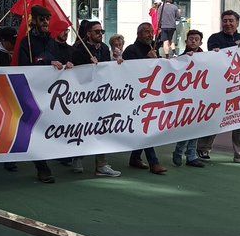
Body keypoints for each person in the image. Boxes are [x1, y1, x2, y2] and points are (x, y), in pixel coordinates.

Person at [12, 6, 70, 183]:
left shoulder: (51, 40)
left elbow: (59, 58)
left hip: (50, 91)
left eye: (48, 18)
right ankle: (41, 167)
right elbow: (24, 66)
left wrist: (67, 64)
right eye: (42, 18)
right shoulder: (26, 42)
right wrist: (46, 62)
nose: (46, 21)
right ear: (34, 20)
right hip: (32, 90)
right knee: (34, 126)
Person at [198, 10, 240, 164]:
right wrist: (235, 46)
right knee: (214, 116)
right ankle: (202, 149)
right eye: (225, 20)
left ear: (237, 23)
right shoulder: (215, 39)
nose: (227, 23)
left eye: (231, 20)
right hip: (219, 88)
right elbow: (217, 56)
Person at [70, 20, 122, 177]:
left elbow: (106, 70)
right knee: (83, 128)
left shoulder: (105, 48)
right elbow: (74, 72)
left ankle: (101, 164)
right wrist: (87, 63)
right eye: (97, 31)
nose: (100, 34)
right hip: (83, 96)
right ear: (88, 34)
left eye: (102, 31)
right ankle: (77, 157)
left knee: (102, 127)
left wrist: (116, 62)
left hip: (101, 95)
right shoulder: (78, 49)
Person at [122, 22, 167, 175]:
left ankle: (135, 157)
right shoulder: (131, 50)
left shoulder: (152, 49)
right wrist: (147, 60)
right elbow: (132, 71)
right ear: (139, 34)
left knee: (144, 127)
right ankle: (154, 162)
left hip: (150, 95)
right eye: (146, 32)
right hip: (135, 96)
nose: (150, 35)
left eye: (151, 32)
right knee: (145, 127)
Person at [172, 30, 207, 168]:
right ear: (186, 41)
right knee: (186, 127)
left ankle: (192, 155)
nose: (193, 41)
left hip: (200, 97)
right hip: (185, 98)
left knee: (196, 128)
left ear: (200, 42)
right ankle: (179, 151)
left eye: (196, 39)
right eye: (191, 39)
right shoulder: (181, 58)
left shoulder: (206, 57)